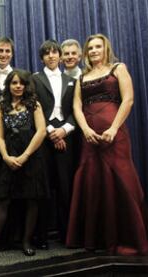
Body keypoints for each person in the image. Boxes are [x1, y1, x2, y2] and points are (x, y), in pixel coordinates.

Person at [66, 33, 148, 255]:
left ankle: (130, 237)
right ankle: (97, 239)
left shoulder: (118, 68)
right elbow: (77, 106)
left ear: (105, 49)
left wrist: (113, 128)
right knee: (93, 181)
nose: (93, 51)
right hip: (90, 137)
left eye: (97, 47)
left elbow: (128, 99)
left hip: (115, 134)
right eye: (90, 48)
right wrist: (85, 130)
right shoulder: (82, 77)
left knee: (122, 179)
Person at [0, 70, 48, 257]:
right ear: (9, 86)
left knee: (31, 200)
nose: (18, 86)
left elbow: (41, 131)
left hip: (31, 158)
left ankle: (27, 242)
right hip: (8, 159)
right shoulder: (2, 106)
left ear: (26, 85)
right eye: (14, 83)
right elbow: (0, 137)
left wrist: (25, 156)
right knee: (2, 200)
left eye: (21, 83)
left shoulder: (34, 105)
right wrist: (5, 157)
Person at [32, 40, 76, 248]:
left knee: (65, 187)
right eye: (46, 53)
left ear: (60, 56)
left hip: (66, 137)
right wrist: (51, 133)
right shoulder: (34, 79)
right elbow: (32, 107)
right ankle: (41, 236)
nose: (51, 56)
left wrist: (64, 131)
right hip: (43, 136)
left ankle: (67, 234)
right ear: (42, 58)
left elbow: (77, 111)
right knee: (43, 188)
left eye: (54, 52)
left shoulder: (71, 80)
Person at [0, 37, 15, 125]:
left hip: (13, 124)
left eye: (7, 51)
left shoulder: (21, 76)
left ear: (12, 54)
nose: (4, 54)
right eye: (0, 50)